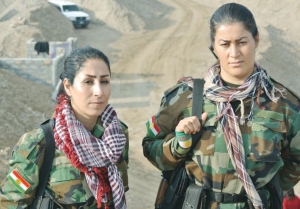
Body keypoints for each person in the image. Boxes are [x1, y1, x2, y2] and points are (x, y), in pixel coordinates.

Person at [142, 3, 300, 209]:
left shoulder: (283, 103)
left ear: (256, 39)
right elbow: (150, 148)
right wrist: (178, 145)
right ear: (214, 46)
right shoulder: (186, 96)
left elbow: (295, 161)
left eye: (242, 42)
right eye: (225, 44)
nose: (234, 53)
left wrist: (261, 189)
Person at [0, 46, 129, 209]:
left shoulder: (117, 135)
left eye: (104, 81)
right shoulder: (40, 142)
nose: (98, 91)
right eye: (88, 82)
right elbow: (10, 203)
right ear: (68, 86)